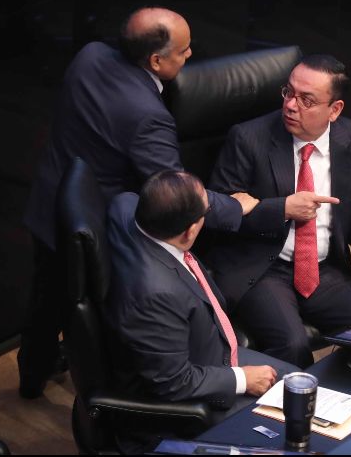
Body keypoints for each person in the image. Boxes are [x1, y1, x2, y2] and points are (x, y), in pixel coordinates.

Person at [18, 7, 257, 399]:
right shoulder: (148, 116)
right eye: (183, 51)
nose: (191, 55)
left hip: (50, 202)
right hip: (98, 223)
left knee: (43, 303)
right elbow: (173, 189)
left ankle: (31, 377)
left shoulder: (89, 55)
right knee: (95, 311)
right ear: (156, 60)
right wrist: (235, 207)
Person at [207, 54, 351, 367]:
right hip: (264, 268)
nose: (290, 105)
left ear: (334, 110)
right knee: (292, 345)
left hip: (325, 268)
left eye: (306, 100)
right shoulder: (248, 138)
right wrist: (282, 209)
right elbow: (218, 214)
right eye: (288, 92)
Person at [105, 170, 298, 453]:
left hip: (209, 349)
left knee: (300, 384)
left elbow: (125, 199)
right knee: (288, 429)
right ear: (190, 231)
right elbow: (174, 383)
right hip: (189, 404)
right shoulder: (157, 293)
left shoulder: (124, 210)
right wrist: (243, 379)